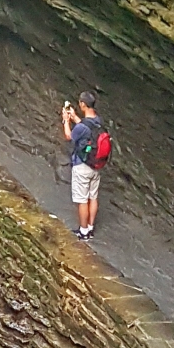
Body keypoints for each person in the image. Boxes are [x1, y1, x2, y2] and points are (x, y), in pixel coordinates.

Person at [62, 91, 107, 239]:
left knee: (82, 200)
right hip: (96, 165)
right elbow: (85, 127)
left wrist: (66, 121)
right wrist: (74, 117)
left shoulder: (81, 128)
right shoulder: (98, 121)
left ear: (82, 104)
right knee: (92, 197)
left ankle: (83, 232)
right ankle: (90, 228)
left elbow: (69, 136)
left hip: (82, 165)